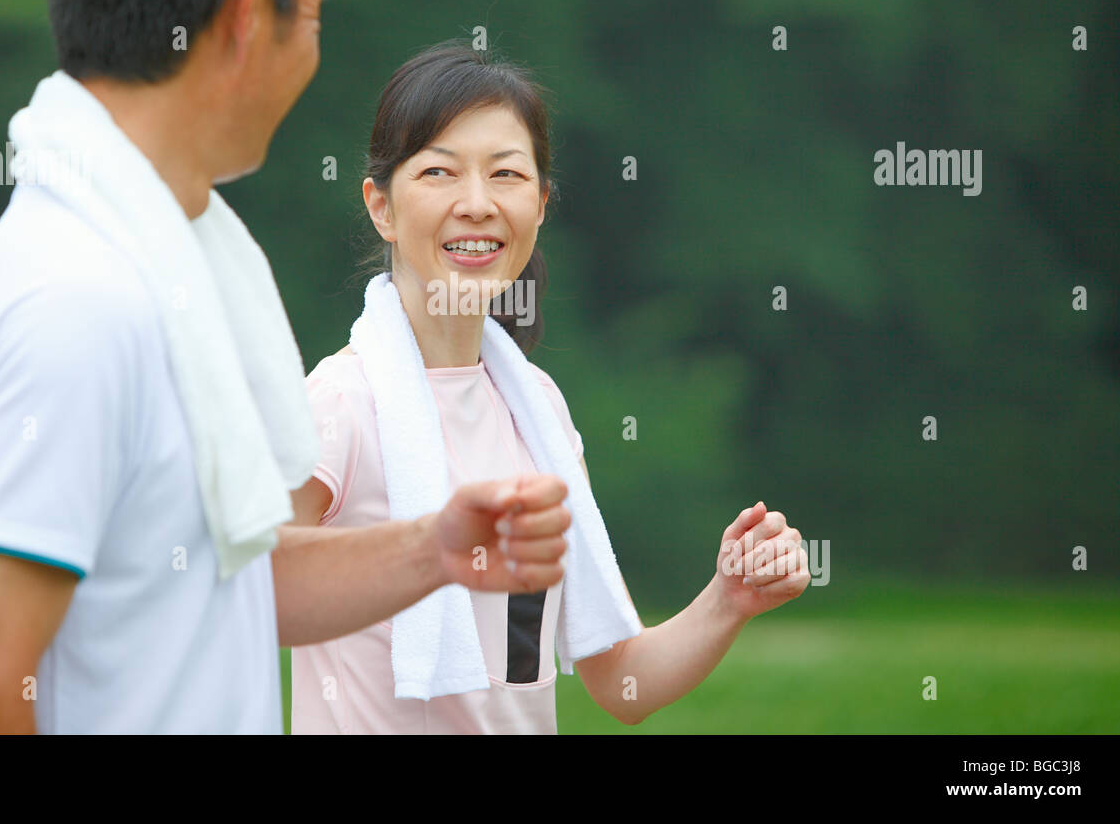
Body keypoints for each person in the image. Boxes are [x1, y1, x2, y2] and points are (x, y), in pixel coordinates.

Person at [0, 0, 571, 735]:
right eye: (314, 17)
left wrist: (433, 547)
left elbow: (228, 584)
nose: (314, 51)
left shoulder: (168, 266)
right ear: (251, 15)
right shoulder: (75, 301)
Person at [289, 40, 810, 733]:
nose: (476, 204)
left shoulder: (541, 414)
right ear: (381, 206)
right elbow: (245, 596)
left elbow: (620, 682)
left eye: (505, 174)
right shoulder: (338, 406)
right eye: (440, 172)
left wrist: (729, 598)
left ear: (539, 205)